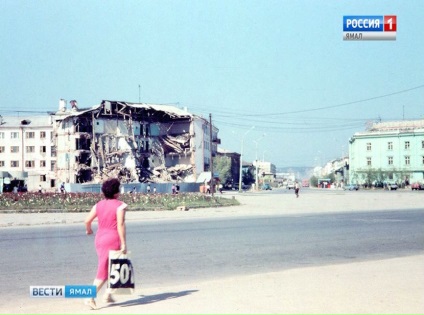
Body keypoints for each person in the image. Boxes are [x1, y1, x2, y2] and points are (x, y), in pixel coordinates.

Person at [84, 178, 128, 309]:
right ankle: (90, 297)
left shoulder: (98, 205)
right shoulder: (120, 205)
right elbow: (120, 224)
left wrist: (89, 230)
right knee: (105, 270)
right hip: (112, 239)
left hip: (100, 238)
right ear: (117, 192)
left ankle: (108, 294)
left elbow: (87, 221)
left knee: (112, 266)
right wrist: (124, 243)